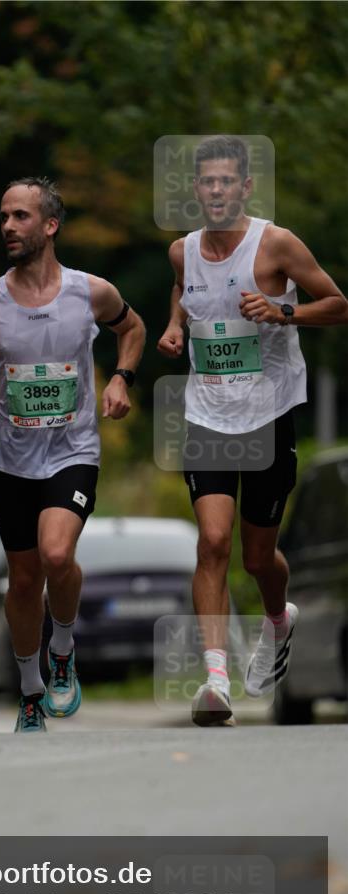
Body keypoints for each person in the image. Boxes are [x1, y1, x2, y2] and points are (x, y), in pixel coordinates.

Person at [157, 136, 348, 727]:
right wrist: (172, 328)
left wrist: (283, 310)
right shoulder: (181, 252)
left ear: (244, 187)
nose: (215, 191)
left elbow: (338, 304)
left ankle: (276, 620)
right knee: (212, 544)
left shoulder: (277, 244)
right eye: (206, 182)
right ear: (196, 190)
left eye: (226, 182)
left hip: (267, 413)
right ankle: (216, 681)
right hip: (207, 412)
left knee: (259, 556)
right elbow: (185, 296)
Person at [0, 178, 145, 732]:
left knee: (58, 555)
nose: (8, 226)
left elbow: (134, 328)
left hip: (73, 451)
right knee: (25, 580)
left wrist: (123, 379)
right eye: (3, 216)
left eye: (20, 217)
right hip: (12, 460)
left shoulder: (89, 291)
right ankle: (31, 690)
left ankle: (63, 647)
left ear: (50, 226)